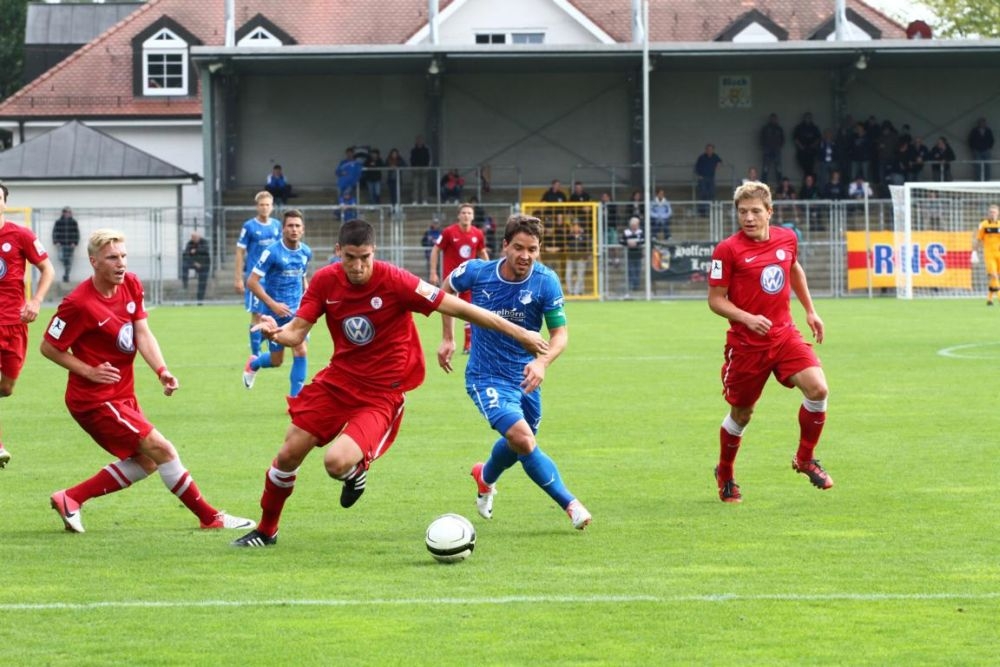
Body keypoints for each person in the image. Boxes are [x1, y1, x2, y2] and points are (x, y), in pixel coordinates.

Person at [230, 219, 549, 547]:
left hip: (381, 393)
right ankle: (266, 531)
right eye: (350, 257)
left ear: (374, 252)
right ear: (337, 252)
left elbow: (462, 308)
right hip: (338, 381)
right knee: (287, 454)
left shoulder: (396, 280)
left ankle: (355, 471)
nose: (358, 266)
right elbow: (296, 332)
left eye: (365, 257)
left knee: (335, 463)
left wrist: (520, 332)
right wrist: (276, 333)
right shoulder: (326, 281)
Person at [41, 228, 255, 533]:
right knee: (163, 449)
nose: (121, 263)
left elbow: (142, 332)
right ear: (94, 261)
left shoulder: (130, 284)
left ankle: (70, 498)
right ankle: (210, 517)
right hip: (95, 399)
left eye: (123, 256)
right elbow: (49, 346)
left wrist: (161, 370)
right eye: (112, 258)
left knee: (148, 460)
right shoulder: (78, 304)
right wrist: (88, 371)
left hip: (122, 393)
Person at [436, 214, 591, 530]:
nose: (525, 256)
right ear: (504, 246)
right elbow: (445, 290)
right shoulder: (479, 273)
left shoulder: (545, 280)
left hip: (526, 377)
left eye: (532, 249)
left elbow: (560, 334)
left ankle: (485, 476)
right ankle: (571, 504)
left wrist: (541, 363)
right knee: (523, 439)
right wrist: (449, 337)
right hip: (485, 375)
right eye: (519, 248)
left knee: (519, 442)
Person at [707, 181, 832, 504]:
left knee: (818, 389)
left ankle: (805, 458)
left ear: (769, 212)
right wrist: (747, 318)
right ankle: (726, 471)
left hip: (784, 334)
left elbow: (793, 269)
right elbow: (715, 300)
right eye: (742, 212)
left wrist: (810, 311)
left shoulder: (787, 239)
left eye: (755, 211)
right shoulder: (727, 250)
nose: (748, 218)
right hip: (747, 345)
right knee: (742, 413)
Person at [0, 184, 56, 468]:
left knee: (7, 387)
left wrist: (35, 300)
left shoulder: (20, 235)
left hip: (15, 323)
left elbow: (48, 269)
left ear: (4, 203)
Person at [243, 209, 312, 396]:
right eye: (290, 226)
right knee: (277, 361)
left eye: (297, 226)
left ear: (303, 229)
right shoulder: (272, 252)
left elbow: (302, 277)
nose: (294, 229)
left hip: (297, 313)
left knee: (300, 350)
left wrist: (308, 297)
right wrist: (273, 304)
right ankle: (254, 363)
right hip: (274, 315)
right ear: (283, 229)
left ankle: (295, 399)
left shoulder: (306, 252)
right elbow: (252, 282)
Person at [429, 203, 489, 354]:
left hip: (469, 277)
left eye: (469, 213)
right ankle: (449, 339)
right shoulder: (449, 232)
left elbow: (482, 253)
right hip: (451, 280)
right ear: (458, 215)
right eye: (463, 213)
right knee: (450, 309)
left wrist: (490, 273)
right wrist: (433, 271)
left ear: (473, 216)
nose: (466, 215)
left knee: (470, 309)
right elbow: (436, 250)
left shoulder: (477, 234)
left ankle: (468, 345)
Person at [234, 191, 282, 358]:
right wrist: (239, 277)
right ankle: (255, 354)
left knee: (272, 313)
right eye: (262, 205)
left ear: (272, 206)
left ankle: (265, 342)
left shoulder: (277, 225)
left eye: (268, 204)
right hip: (256, 278)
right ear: (257, 206)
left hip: (273, 278)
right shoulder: (249, 226)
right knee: (257, 314)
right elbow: (240, 252)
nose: (265, 208)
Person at [973, 204, 1000, 306]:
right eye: (991, 212)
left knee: (995, 277)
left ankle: (989, 299)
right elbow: (978, 239)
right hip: (989, 254)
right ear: (988, 213)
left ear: (998, 213)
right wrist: (974, 252)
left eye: (994, 212)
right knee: (993, 275)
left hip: (999, 254)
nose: (992, 213)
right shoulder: (984, 224)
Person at [181, 230, 211, 303]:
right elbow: (185, 255)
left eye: (195, 237)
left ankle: (200, 300)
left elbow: (205, 250)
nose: (193, 239)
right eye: (192, 237)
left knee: (202, 282)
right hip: (194, 263)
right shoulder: (190, 243)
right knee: (184, 265)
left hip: (204, 264)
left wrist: (196, 250)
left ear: (199, 237)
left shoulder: (204, 242)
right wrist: (194, 263)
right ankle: (185, 283)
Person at [52, 207, 80, 283]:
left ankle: (66, 276)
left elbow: (77, 233)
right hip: (61, 244)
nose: (68, 214)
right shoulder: (58, 222)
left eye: (69, 212)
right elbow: (54, 232)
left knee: (69, 260)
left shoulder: (74, 222)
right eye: (66, 212)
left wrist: (75, 242)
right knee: (62, 258)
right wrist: (56, 241)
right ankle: (66, 273)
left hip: (70, 245)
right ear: (63, 213)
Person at [564, 219, 590, 296]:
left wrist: (585, 257)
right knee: (568, 275)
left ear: (579, 227)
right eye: (574, 226)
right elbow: (565, 246)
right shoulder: (569, 236)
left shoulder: (584, 236)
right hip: (570, 258)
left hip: (580, 259)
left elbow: (588, 247)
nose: (575, 228)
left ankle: (577, 292)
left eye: (576, 226)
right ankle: (570, 291)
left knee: (580, 275)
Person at [694, 144, 722, 215]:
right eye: (708, 149)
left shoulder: (715, 156)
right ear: (706, 150)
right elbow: (696, 168)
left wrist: (718, 165)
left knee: (711, 194)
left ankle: (709, 211)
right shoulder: (701, 157)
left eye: (711, 149)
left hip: (711, 178)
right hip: (703, 178)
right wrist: (699, 175)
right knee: (703, 194)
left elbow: (720, 161)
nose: (709, 151)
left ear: (713, 150)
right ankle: (702, 212)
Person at [792, 111, 822, 178]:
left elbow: (818, 138)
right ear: (804, 118)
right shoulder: (799, 127)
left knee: (810, 169)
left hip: (811, 152)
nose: (808, 119)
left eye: (809, 117)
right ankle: (807, 181)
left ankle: (809, 181)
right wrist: (801, 147)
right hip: (802, 152)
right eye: (806, 117)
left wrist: (812, 146)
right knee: (805, 169)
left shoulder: (814, 128)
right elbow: (795, 138)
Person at [759, 112, 784, 185]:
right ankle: (763, 183)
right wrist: (764, 147)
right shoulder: (765, 128)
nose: (773, 120)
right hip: (767, 150)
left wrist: (779, 146)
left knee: (778, 168)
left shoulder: (779, 129)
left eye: (775, 119)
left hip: (776, 150)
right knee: (765, 168)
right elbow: (761, 138)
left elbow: (783, 139)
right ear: (770, 119)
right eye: (772, 118)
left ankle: (780, 184)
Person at [620, 215, 644, 293]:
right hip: (629, 254)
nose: (635, 227)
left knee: (637, 270)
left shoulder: (641, 232)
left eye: (636, 225)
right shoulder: (626, 232)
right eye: (633, 225)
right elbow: (621, 241)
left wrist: (636, 243)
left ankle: (636, 286)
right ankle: (631, 285)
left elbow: (644, 240)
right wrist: (627, 243)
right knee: (631, 271)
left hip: (638, 254)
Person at [968, 117, 994, 181]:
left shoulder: (988, 130)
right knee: (978, 165)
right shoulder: (974, 130)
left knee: (987, 165)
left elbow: (992, 140)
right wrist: (973, 148)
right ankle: (978, 179)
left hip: (986, 150)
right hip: (977, 150)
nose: (982, 124)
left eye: (983, 123)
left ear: (985, 123)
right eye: (981, 123)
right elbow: (970, 140)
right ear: (978, 123)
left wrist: (989, 147)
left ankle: (987, 179)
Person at [410, 135, 431, 204]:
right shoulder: (413, 150)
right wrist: (413, 167)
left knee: (424, 185)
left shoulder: (426, 150)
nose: (419, 141)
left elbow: (428, 159)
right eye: (418, 140)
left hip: (424, 168)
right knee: (415, 185)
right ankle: (415, 200)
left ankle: (424, 200)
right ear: (416, 141)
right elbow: (411, 159)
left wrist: (427, 167)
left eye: (420, 140)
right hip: (416, 168)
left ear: (423, 141)